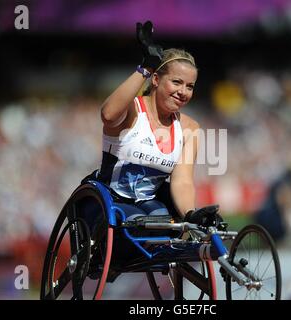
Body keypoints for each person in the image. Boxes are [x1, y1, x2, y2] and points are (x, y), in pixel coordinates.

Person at [91, 21, 221, 227]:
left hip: (147, 203)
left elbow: (182, 181)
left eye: (190, 86)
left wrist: (191, 214)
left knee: (170, 232)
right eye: (177, 82)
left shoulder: (190, 128)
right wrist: (145, 68)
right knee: (144, 230)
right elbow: (108, 115)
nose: (183, 92)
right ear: (156, 80)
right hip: (107, 200)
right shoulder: (132, 110)